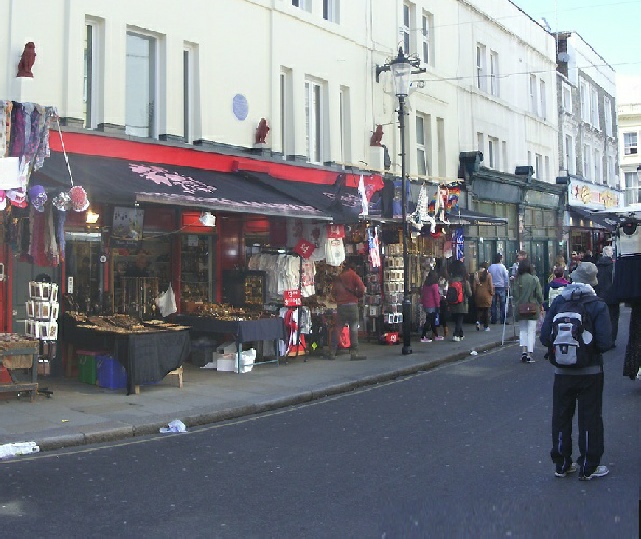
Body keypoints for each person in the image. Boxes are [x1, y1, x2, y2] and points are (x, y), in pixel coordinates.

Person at [540, 261, 612, 480]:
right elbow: (605, 342)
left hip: (562, 372)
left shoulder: (560, 301)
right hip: (590, 372)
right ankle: (589, 465)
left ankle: (562, 463)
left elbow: (544, 337)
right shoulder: (598, 304)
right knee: (590, 417)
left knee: (561, 416)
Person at [327, 264, 366, 361]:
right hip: (352, 305)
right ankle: (354, 353)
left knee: (338, 329)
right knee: (353, 329)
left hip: (341, 307)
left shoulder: (338, 278)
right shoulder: (353, 275)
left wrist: (338, 299)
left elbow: (333, 292)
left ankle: (332, 352)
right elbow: (362, 288)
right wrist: (358, 295)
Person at [512, 259, 543, 363]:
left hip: (521, 308)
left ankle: (523, 351)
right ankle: (530, 353)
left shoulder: (517, 279)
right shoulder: (534, 279)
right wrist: (541, 303)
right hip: (533, 308)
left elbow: (514, 294)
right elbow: (539, 295)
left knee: (523, 330)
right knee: (531, 331)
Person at [594, 246, 619, 348]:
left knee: (601, 318)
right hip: (612, 296)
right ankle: (611, 340)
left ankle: (602, 339)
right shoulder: (613, 266)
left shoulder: (596, 266)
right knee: (613, 318)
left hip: (600, 295)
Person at [448, 259, 473, 342]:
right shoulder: (464, 282)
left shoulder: (451, 281)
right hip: (462, 303)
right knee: (459, 319)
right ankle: (455, 335)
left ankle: (461, 334)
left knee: (457, 320)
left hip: (452, 302)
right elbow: (469, 294)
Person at [420, 270, 443, 342]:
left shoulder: (425, 284)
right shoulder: (435, 285)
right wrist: (438, 305)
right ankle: (423, 336)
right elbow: (436, 296)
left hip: (426, 304)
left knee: (432, 320)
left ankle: (435, 335)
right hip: (432, 304)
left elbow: (423, 294)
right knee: (429, 320)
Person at [487, 253, 509, 325]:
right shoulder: (502, 267)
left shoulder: (490, 267)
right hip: (501, 286)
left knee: (493, 304)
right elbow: (506, 277)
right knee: (502, 304)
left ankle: (494, 319)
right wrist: (506, 285)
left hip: (493, 286)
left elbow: (488, 275)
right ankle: (502, 320)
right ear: (500, 259)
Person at [473, 262, 494, 331]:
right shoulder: (488, 275)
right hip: (486, 295)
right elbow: (491, 286)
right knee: (486, 311)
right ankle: (486, 326)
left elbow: (474, 286)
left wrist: (475, 293)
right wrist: (492, 293)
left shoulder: (476, 275)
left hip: (478, 294)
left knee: (479, 310)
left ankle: (478, 321)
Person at [437, 266, 450, 337]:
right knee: (444, 315)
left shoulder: (438, 280)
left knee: (438, 314)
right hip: (444, 299)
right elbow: (445, 291)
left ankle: (436, 330)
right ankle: (445, 330)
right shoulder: (446, 281)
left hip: (438, 299)